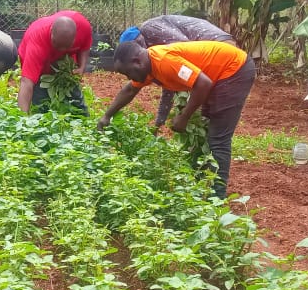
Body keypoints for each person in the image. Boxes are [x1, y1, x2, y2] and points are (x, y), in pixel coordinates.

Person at [97, 40, 255, 199]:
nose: (128, 77)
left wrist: (184, 116)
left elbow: (203, 84)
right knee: (209, 125)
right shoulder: (148, 67)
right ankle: (205, 182)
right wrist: (107, 115)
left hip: (234, 69)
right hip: (219, 73)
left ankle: (218, 198)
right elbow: (130, 89)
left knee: (218, 137)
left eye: (127, 73)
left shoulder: (164, 62)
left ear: (137, 61)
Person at [119, 15, 236, 129]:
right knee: (205, 105)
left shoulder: (149, 30)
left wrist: (184, 115)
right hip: (214, 50)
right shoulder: (152, 55)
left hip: (219, 45)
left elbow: (183, 56)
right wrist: (160, 122)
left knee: (207, 101)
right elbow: (169, 81)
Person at [17, 10, 93, 114]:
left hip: (63, 65)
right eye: (57, 45)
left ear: (75, 37)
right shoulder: (37, 42)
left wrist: (81, 67)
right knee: (41, 102)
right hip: (41, 64)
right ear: (51, 31)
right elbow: (27, 83)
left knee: (75, 100)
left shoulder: (83, 27)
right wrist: (21, 119)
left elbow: (85, 47)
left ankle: (83, 122)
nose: (61, 50)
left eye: (66, 46)